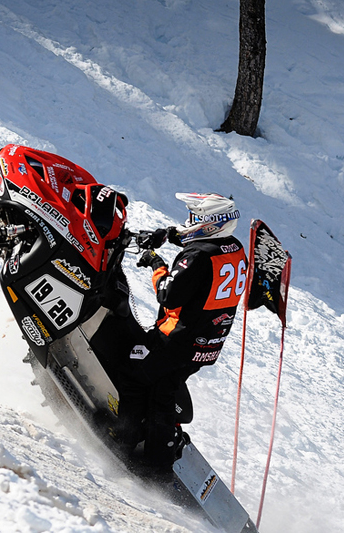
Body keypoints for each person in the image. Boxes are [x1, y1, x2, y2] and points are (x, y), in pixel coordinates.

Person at [111, 192, 247, 481]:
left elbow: (168, 294)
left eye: (197, 218)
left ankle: (127, 443)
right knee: (163, 389)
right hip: (208, 340)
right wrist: (171, 235)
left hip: (177, 340)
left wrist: (154, 262)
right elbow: (205, 253)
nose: (191, 221)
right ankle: (159, 451)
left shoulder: (197, 256)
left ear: (212, 223)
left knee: (134, 377)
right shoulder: (234, 248)